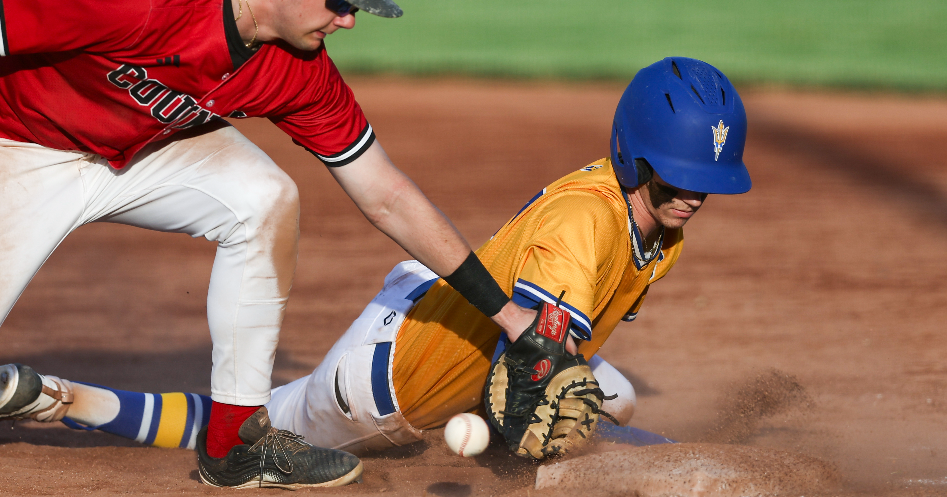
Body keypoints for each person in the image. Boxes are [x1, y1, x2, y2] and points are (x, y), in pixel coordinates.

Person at [0, 56, 751, 472]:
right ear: (632, 155)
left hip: (439, 314)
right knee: (249, 422)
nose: (689, 196)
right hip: (381, 382)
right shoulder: (587, 222)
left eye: (705, 184)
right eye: (675, 177)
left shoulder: (651, 225)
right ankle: (58, 398)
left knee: (607, 399)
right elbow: (538, 360)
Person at [0, 0, 539, 489]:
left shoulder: (299, 70)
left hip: (141, 155)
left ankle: (236, 442)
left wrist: (511, 319)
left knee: (264, 199)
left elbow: (387, 196)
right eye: (340, 3)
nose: (348, 20)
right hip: (16, 147)